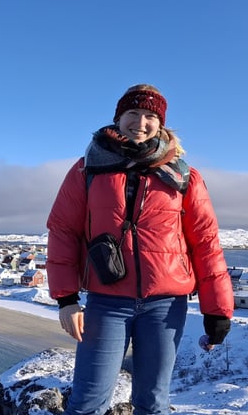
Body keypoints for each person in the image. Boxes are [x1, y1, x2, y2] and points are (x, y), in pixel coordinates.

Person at [46, 84, 234, 415]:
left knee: (152, 402)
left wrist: (217, 310)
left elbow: (205, 241)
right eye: (133, 114)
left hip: (166, 306)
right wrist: (67, 299)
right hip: (106, 303)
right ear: (118, 118)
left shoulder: (184, 174)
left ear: (160, 124)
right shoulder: (86, 168)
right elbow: (64, 230)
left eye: (150, 116)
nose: (141, 122)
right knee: (87, 401)